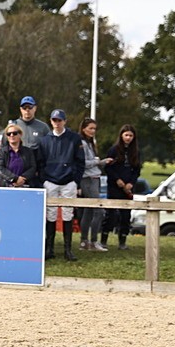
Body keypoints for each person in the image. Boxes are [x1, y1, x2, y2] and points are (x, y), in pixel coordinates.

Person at [37, 109, 84, 261]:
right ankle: (49, 249)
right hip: (50, 181)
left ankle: (68, 250)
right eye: (54, 120)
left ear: (65, 121)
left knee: (67, 214)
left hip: (68, 182)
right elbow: (40, 163)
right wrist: (44, 179)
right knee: (50, 214)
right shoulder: (44, 140)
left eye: (59, 120)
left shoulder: (75, 139)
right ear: (51, 121)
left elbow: (80, 162)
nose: (57, 123)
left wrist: (75, 181)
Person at [101, 124, 141, 251]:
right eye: (126, 135)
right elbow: (108, 167)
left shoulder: (136, 152)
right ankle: (104, 240)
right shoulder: (114, 150)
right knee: (110, 215)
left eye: (130, 135)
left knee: (125, 215)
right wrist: (117, 180)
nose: (128, 138)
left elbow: (136, 170)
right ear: (121, 135)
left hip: (128, 188)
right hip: (114, 186)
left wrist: (131, 183)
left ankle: (122, 241)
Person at [77, 118, 110, 252]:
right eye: (90, 128)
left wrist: (102, 162)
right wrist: (97, 161)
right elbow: (83, 163)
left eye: (94, 129)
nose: (93, 131)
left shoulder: (91, 143)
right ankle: (94, 241)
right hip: (88, 179)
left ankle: (84, 242)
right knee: (99, 210)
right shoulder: (82, 144)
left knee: (89, 210)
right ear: (84, 128)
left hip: (95, 177)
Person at [12, 96, 49, 186]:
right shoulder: (13, 125)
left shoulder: (43, 127)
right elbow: (4, 148)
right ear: (21, 109)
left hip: (36, 172)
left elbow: (48, 150)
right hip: (16, 170)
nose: (27, 110)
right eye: (24, 108)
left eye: (30, 107)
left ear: (35, 108)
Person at [0, 123, 37, 188]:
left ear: (20, 134)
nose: (11, 135)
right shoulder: (2, 152)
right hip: (5, 186)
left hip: (24, 186)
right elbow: (0, 168)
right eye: (9, 134)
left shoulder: (28, 152)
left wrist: (23, 178)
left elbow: (33, 168)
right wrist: (15, 179)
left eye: (14, 133)